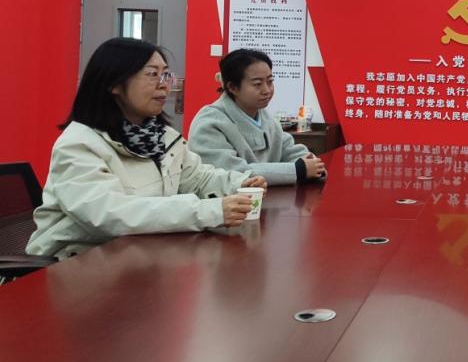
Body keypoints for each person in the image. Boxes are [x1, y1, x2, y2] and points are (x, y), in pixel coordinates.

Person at [27, 38, 266, 260]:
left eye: (166, 75)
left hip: (137, 258)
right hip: (75, 265)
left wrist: (239, 183)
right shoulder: (79, 144)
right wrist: (208, 211)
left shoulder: (161, 137)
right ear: (114, 83)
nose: (165, 86)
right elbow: (109, 214)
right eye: (152, 75)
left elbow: (197, 179)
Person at [188, 49, 326, 185]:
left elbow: (288, 149)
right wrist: (297, 170)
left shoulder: (265, 117)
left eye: (270, 81)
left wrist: (312, 163)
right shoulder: (209, 122)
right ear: (232, 87)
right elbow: (232, 173)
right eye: (257, 84)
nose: (267, 90)